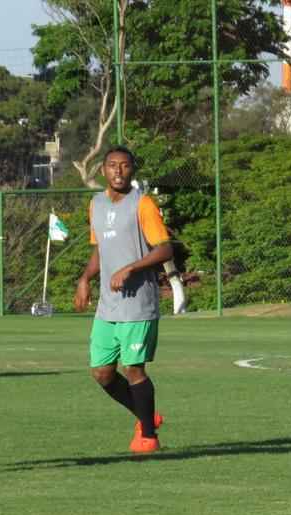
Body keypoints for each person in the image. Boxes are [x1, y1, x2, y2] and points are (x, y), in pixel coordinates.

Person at [74, 146, 174, 452]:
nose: (119, 171)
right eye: (112, 166)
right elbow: (100, 249)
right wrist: (84, 278)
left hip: (137, 304)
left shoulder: (142, 204)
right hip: (108, 305)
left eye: (125, 166)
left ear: (133, 170)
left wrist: (131, 267)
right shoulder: (96, 204)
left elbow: (165, 249)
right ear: (103, 170)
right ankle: (146, 417)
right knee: (102, 373)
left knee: (133, 369)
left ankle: (148, 438)